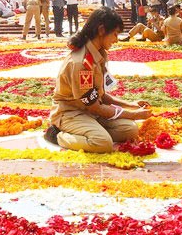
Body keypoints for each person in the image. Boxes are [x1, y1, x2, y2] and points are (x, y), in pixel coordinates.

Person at [45, 8, 150, 153]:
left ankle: (92, 131)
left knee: (130, 130)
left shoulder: (99, 54)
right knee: (102, 143)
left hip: (90, 111)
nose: (116, 39)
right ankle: (56, 135)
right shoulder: (82, 63)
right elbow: (94, 106)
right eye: (114, 34)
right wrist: (133, 114)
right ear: (101, 30)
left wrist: (130, 105)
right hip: (71, 113)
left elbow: (100, 95)